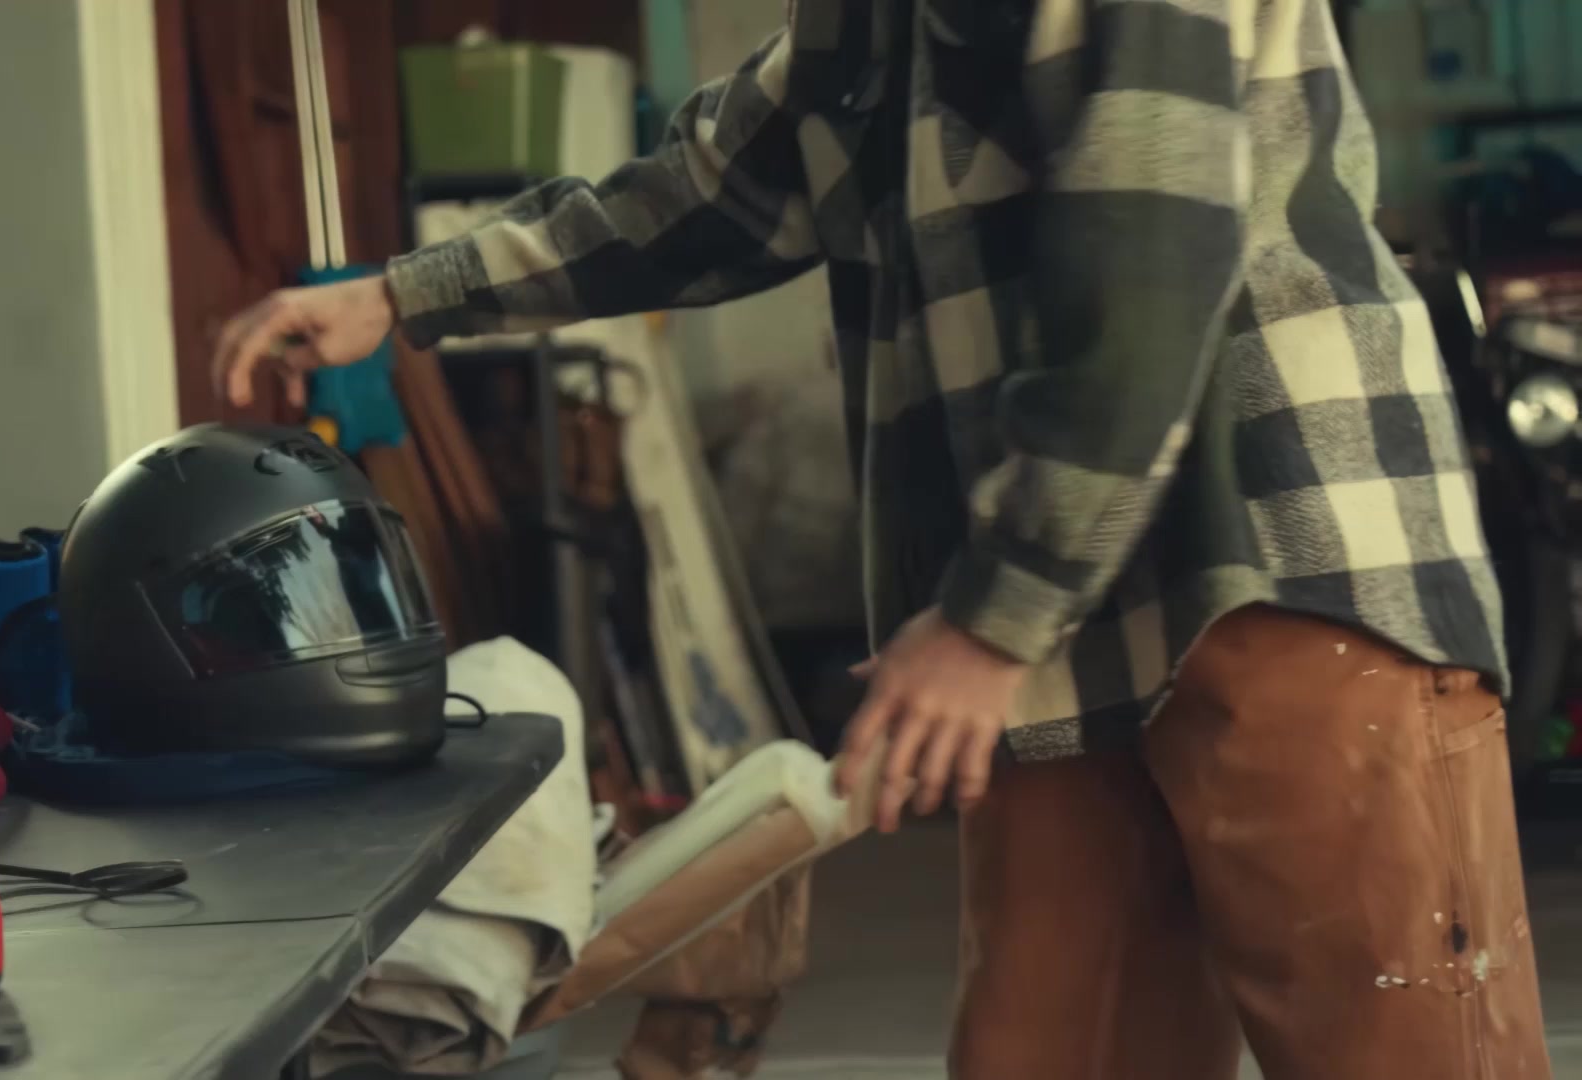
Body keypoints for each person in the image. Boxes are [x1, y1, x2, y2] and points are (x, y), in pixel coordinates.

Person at [212, 1, 1553, 1076]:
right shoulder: (863, 20)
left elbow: (1150, 243)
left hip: (1273, 565)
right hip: (1054, 632)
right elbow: (715, 193)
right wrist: (405, 295)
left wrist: (989, 618)